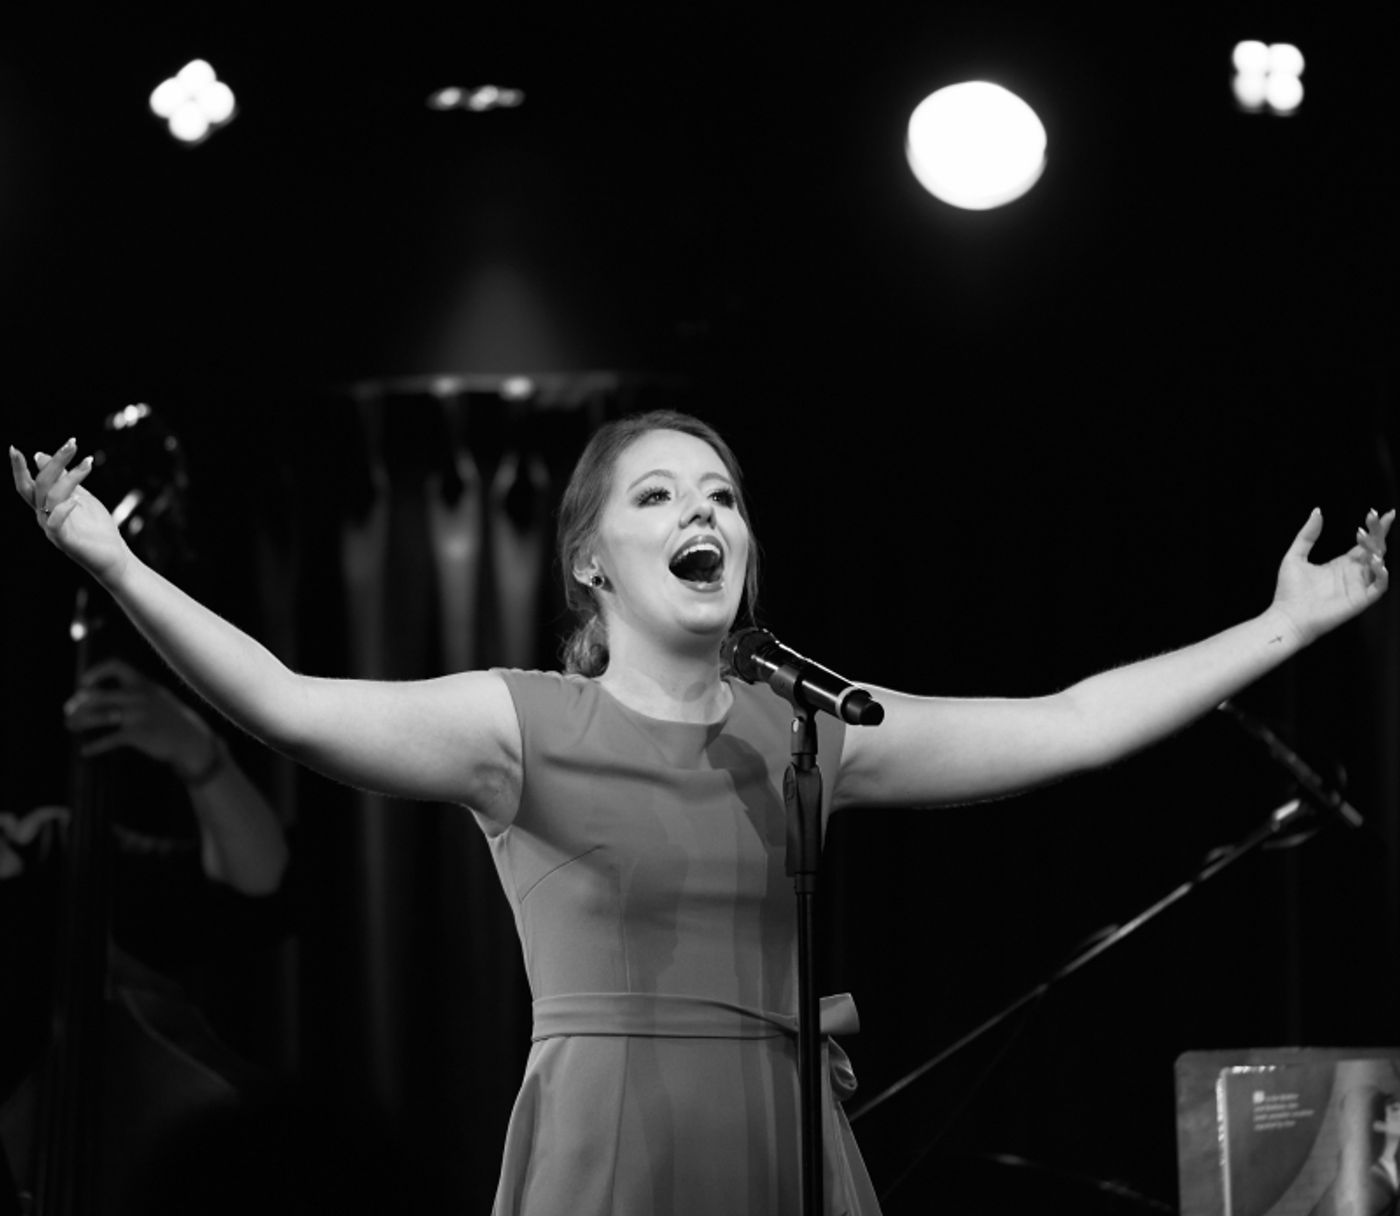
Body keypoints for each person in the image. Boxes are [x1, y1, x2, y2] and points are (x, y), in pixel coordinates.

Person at [8, 413, 1392, 1216]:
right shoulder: (520, 725)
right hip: (612, 1138)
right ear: (590, 565)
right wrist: (107, 555)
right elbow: (287, 703)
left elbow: (1071, 724)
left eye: (723, 495)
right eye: (660, 494)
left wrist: (1285, 628)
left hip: (786, 1138)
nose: (703, 512)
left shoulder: (806, 726)